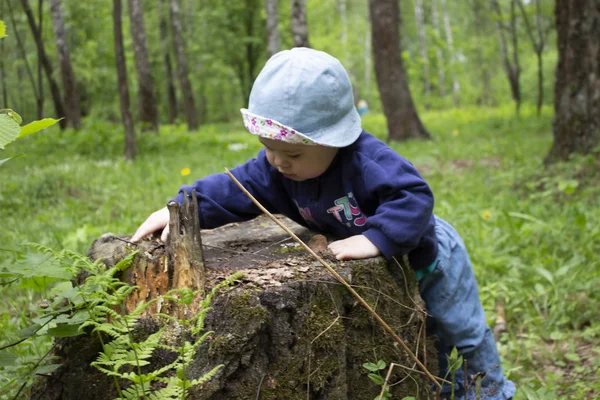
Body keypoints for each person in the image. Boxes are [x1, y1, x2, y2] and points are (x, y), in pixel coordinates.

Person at [132, 48, 515, 399]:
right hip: (389, 273)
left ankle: (491, 390)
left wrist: (378, 237)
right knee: (420, 334)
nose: (279, 162)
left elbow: (414, 197)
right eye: (269, 149)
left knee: (459, 329)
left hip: (433, 261)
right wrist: (180, 208)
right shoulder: (278, 169)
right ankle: (439, 384)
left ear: (335, 140)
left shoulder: (368, 162)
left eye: (293, 152)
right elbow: (232, 189)